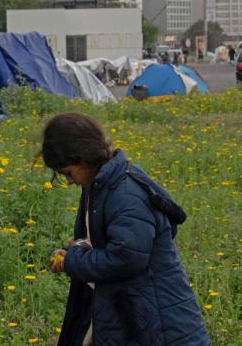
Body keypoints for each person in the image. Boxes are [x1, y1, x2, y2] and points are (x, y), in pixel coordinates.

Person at [42, 113, 211, 346]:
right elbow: (106, 242)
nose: (69, 181)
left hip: (161, 326)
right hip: (136, 314)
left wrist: (73, 261)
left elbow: (126, 258)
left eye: (68, 173)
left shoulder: (125, 194)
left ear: (83, 159)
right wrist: (76, 249)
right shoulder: (99, 185)